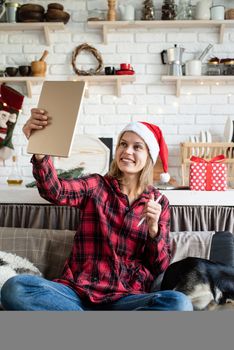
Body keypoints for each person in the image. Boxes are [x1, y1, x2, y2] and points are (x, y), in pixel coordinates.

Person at [1, 109, 193, 311]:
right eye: (123, 144)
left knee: (179, 303)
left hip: (126, 298)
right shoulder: (96, 186)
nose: (127, 151)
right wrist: (40, 152)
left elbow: (159, 267)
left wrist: (154, 230)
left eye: (137, 147)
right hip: (76, 294)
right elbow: (55, 191)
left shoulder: (159, 202)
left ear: (149, 157)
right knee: (15, 288)